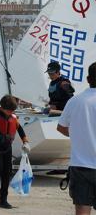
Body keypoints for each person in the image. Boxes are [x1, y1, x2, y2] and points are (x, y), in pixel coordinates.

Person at [57, 62, 96, 215]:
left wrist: (79, 134)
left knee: (82, 209)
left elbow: (61, 127)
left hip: (80, 165)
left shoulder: (75, 101)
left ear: (88, 79)